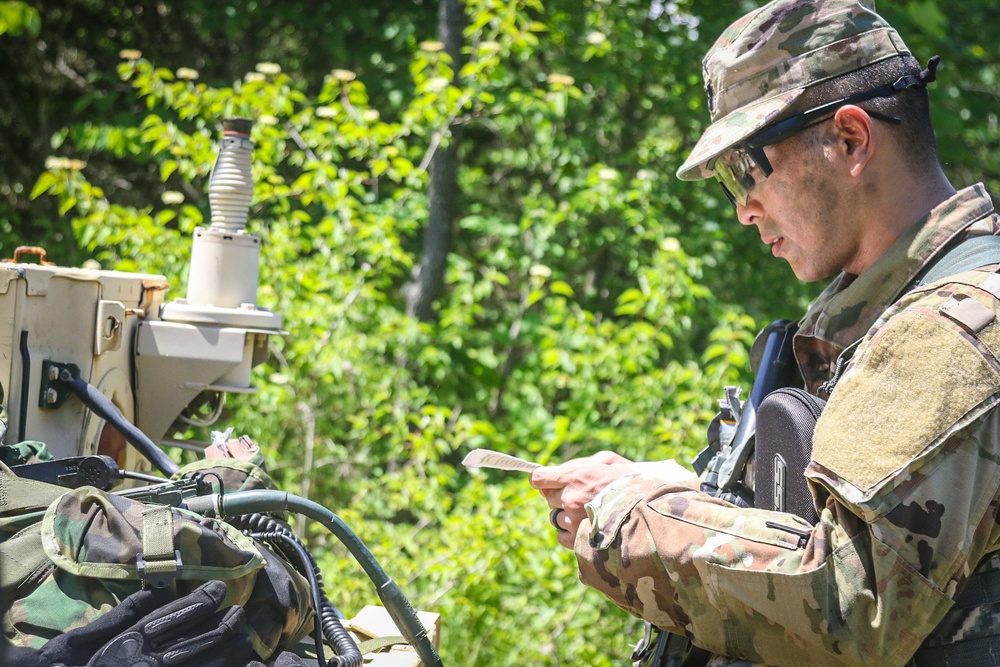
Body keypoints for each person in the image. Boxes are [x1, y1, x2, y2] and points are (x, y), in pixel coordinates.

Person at [530, 1, 1000, 666]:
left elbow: (850, 603)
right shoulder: (891, 319)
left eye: (747, 168)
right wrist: (691, 500)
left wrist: (631, 518)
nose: (744, 209)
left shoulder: (953, 327)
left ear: (851, 139)